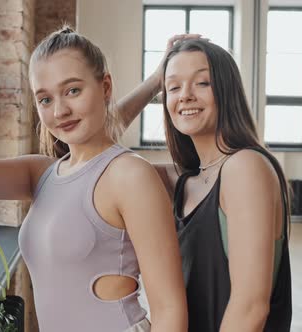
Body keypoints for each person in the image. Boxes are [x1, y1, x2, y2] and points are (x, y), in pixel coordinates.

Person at [0, 2, 187, 331]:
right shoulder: (41, 174)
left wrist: (153, 82)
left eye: (73, 90)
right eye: (45, 98)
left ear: (105, 87)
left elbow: (170, 310)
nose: (60, 110)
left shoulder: (131, 176)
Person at [120, 38, 292, 332]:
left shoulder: (245, 167)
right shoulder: (184, 179)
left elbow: (250, 308)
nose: (185, 96)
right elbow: (92, 144)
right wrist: (153, 81)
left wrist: (165, 80)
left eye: (202, 83)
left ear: (227, 91)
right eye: (173, 87)